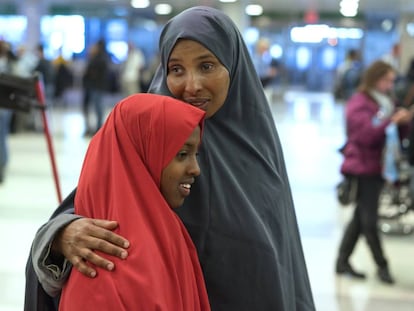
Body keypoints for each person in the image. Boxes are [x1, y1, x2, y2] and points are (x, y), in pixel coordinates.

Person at [25, 6, 315, 311]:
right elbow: (94, 202)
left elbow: (286, 253)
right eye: (176, 69)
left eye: (206, 66)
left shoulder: (258, 144)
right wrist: (62, 234)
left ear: (233, 65)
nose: (192, 86)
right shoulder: (151, 139)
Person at [58, 93, 209, 310]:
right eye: (182, 154)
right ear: (142, 155)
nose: (196, 169)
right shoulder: (105, 263)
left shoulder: (168, 233)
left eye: (196, 154)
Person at [335, 60, 413, 284]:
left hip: (380, 167)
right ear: (374, 78)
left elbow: (398, 133)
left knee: (361, 217)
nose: (390, 84)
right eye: (386, 79)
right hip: (362, 167)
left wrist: (403, 120)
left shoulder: (387, 101)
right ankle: (382, 266)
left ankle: (342, 261)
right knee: (368, 220)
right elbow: (365, 135)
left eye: (392, 80)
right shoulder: (359, 102)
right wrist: (391, 121)